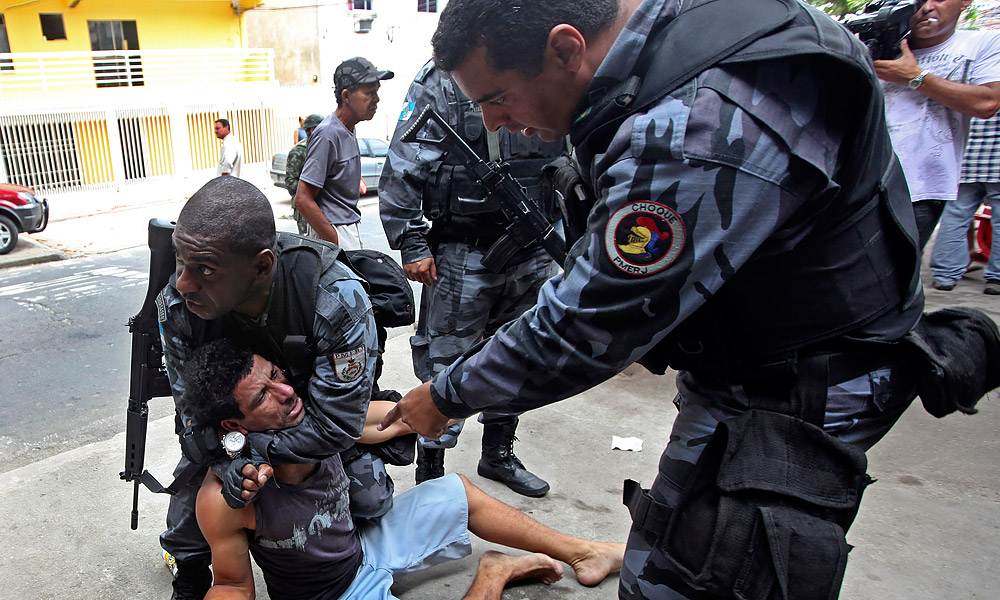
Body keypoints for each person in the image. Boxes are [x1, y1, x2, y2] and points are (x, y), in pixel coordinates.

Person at [378, 1, 929, 598]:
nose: (493, 121)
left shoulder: (703, 119)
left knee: (691, 578)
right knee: (668, 546)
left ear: (565, 49)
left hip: (794, 388)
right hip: (751, 357)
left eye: (499, 97)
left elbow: (589, 323)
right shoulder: (677, 41)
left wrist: (447, 395)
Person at [184, 338, 626, 600]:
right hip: (331, 593)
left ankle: (583, 551)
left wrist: (460, 396)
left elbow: (398, 417)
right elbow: (233, 586)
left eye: (277, 374)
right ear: (233, 425)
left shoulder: (320, 422)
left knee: (457, 492)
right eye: (262, 396)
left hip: (363, 547)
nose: (286, 392)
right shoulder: (226, 494)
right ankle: (495, 571)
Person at [158, 176, 395, 600]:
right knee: (193, 513)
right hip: (235, 424)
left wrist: (248, 454)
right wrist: (225, 463)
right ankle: (189, 568)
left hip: (309, 420)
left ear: (262, 267)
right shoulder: (179, 307)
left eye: (205, 269)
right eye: (180, 259)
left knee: (369, 499)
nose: (184, 283)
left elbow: (337, 427)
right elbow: (192, 415)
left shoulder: (333, 298)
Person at [378, 59, 567, 497]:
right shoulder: (446, 77)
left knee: (520, 351)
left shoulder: (545, 62)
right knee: (446, 359)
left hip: (536, 246)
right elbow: (405, 162)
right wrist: (412, 242)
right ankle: (431, 469)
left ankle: (497, 453)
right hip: (465, 251)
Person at [873, 0, 1000, 252]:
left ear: (965, 2)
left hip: (921, 188)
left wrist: (915, 77)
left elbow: (987, 103)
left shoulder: (981, 43)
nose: (927, 7)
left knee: (895, 268)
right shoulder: (877, 46)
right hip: (858, 182)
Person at [293, 57, 393, 250]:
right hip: (336, 230)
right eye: (369, 93)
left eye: (376, 92)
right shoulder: (328, 134)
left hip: (346, 227)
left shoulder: (348, 128)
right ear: (346, 96)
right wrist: (335, 242)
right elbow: (303, 199)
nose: (376, 99)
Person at [929, 112, 1000, 293]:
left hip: (966, 159)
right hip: (997, 160)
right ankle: (996, 278)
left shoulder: (974, 92)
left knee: (955, 217)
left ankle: (944, 275)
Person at [285, 113, 325, 235]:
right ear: (308, 131)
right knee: (309, 242)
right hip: (306, 209)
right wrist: (309, 191)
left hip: (325, 207)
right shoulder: (298, 152)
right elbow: (290, 181)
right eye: (317, 129)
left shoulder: (326, 147)